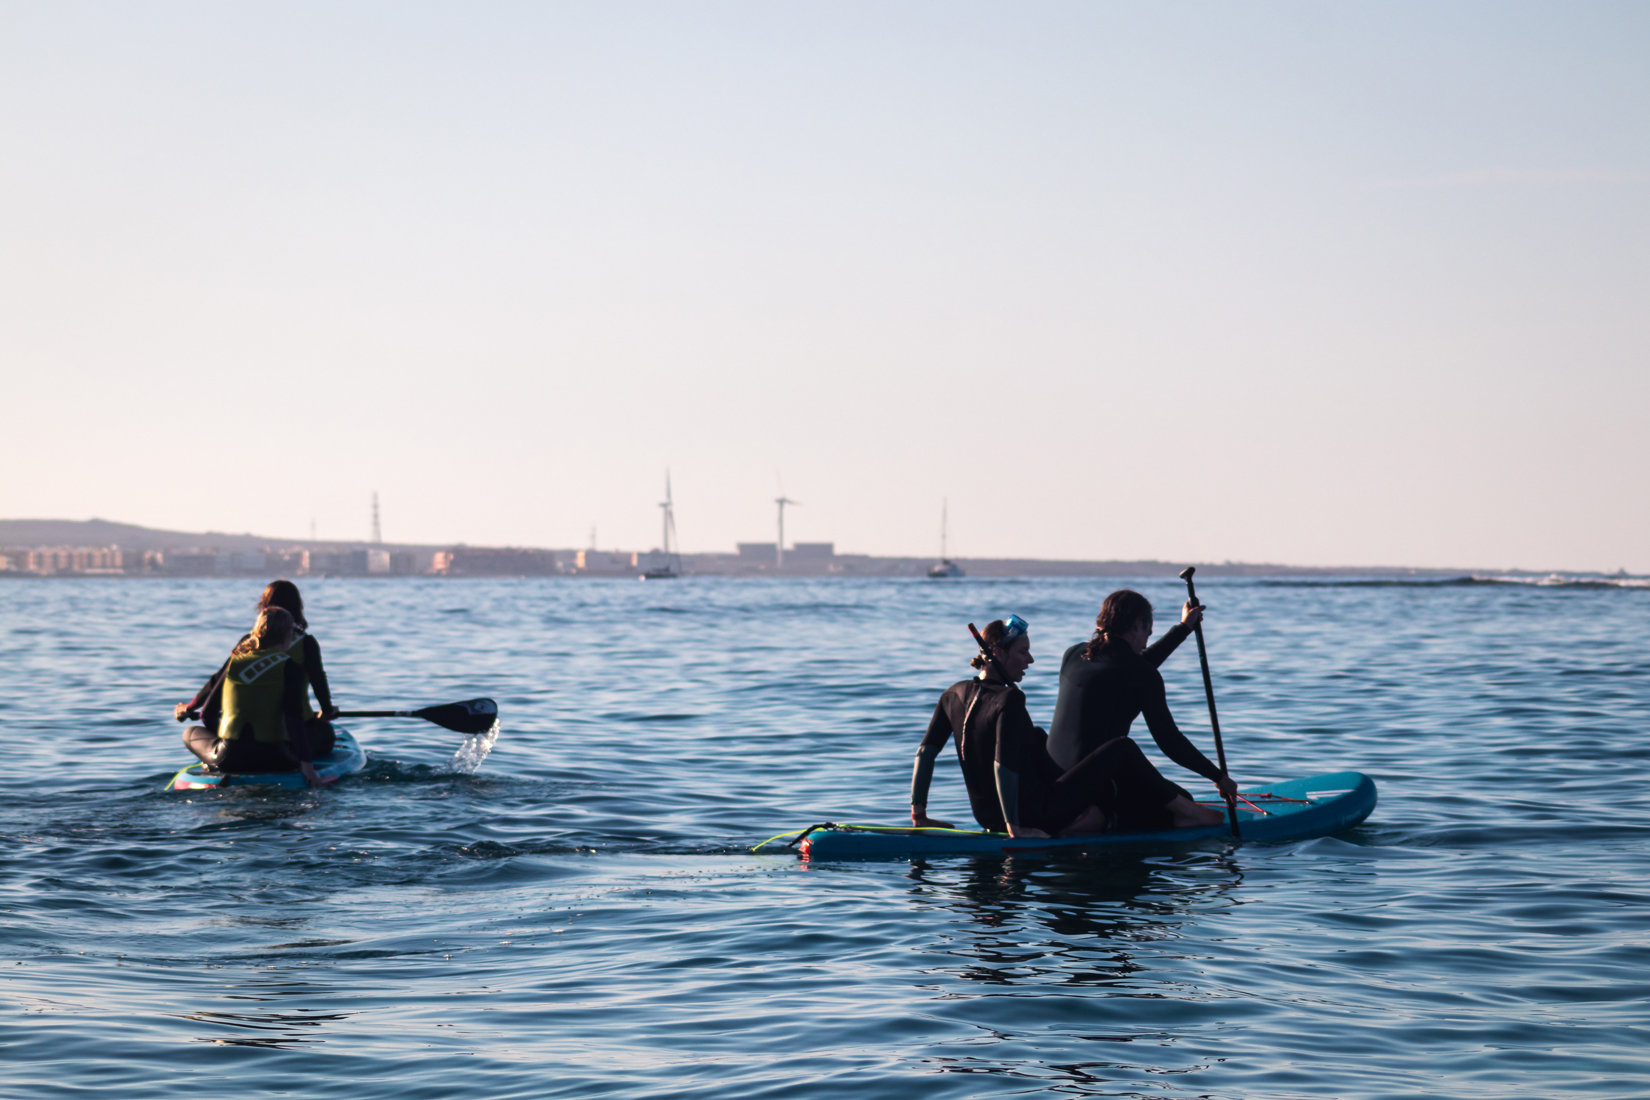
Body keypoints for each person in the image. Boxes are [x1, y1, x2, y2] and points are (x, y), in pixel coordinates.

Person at [1045, 589, 1238, 830]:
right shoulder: (1141, 674)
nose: (1147, 639)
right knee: (1181, 803)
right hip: (1096, 788)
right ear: (1137, 625)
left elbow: (1129, 665)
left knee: (1169, 795)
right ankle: (1101, 817)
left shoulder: (1073, 654)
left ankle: (1095, 813)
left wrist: (1183, 628)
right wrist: (1218, 777)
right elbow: (1168, 740)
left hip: (1054, 783)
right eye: (1148, 632)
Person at [908, 616, 1109, 839]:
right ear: (998, 653)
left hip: (986, 817)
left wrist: (919, 815)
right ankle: (1076, 826)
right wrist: (1015, 827)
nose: (1030, 660)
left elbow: (925, 753)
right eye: (1023, 652)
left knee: (1036, 735)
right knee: (1117, 751)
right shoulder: (1009, 699)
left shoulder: (952, 694)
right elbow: (1003, 765)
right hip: (1027, 816)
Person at [176, 580, 338, 755]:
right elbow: (318, 680)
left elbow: (218, 681)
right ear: (297, 608)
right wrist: (327, 711)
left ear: (264, 607)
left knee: (194, 734)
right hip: (291, 731)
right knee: (326, 733)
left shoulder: (246, 645)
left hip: (237, 742)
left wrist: (190, 708)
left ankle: (226, 753)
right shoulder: (306, 644)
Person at [179, 607, 332, 786]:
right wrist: (308, 769)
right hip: (278, 759)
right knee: (325, 732)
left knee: (189, 733)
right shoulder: (290, 667)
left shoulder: (234, 663)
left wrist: (226, 743)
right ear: (287, 637)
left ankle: (212, 763)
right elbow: (293, 719)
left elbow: (207, 714)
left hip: (230, 759)